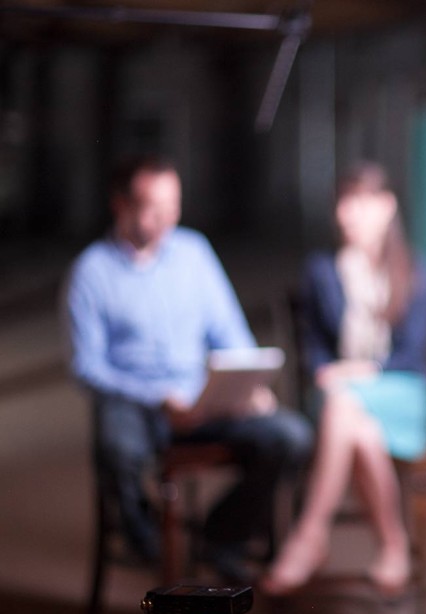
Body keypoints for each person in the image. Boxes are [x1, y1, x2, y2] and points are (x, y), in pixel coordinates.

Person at [63, 154, 312, 583]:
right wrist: (158, 398)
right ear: (120, 205)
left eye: (173, 206)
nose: (168, 219)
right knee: (117, 446)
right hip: (139, 403)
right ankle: (150, 542)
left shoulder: (193, 253)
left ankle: (222, 536)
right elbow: (87, 366)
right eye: (154, 208)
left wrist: (246, 382)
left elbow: (229, 330)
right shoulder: (91, 272)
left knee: (290, 438)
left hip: (202, 398)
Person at [261, 161, 426, 596]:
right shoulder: (323, 270)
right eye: (343, 203)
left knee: (347, 408)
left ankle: (310, 535)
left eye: (359, 202)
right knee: (358, 427)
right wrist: (329, 371)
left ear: (387, 206)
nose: (347, 214)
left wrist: (363, 371)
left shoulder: (415, 270)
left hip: (401, 391)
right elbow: (313, 348)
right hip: (338, 395)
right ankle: (393, 546)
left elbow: (413, 353)